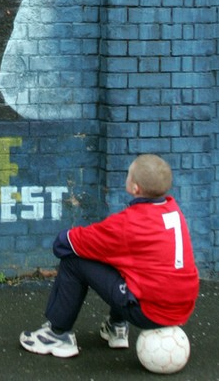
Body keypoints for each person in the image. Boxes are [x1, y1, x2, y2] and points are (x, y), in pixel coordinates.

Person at [19, 154, 200, 359]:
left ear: (135, 188)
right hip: (181, 309)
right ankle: (117, 326)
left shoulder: (130, 223)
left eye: (128, 175)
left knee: (74, 260)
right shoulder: (173, 211)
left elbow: (70, 243)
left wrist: (61, 240)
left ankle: (57, 334)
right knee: (121, 260)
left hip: (149, 311)